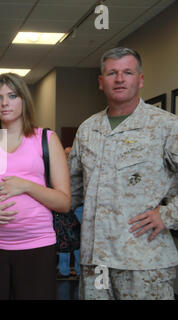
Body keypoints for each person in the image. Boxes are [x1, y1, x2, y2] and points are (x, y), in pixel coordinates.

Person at [68, 47, 177, 300]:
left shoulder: (166, 126)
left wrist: (168, 215)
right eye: (112, 73)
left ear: (140, 80)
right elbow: (71, 191)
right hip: (95, 262)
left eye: (127, 72)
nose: (119, 79)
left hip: (144, 260)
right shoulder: (87, 130)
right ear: (100, 82)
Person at [0, 73, 71, 299]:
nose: (5, 103)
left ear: (24, 100)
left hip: (36, 246)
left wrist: (26, 186)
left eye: (12, 96)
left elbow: (64, 203)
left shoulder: (46, 138)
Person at [57, 147, 82, 279]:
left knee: (77, 239)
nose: (67, 156)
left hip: (78, 207)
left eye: (69, 154)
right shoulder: (59, 168)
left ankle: (79, 271)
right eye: (65, 154)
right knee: (63, 238)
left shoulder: (79, 169)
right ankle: (63, 270)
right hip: (63, 208)